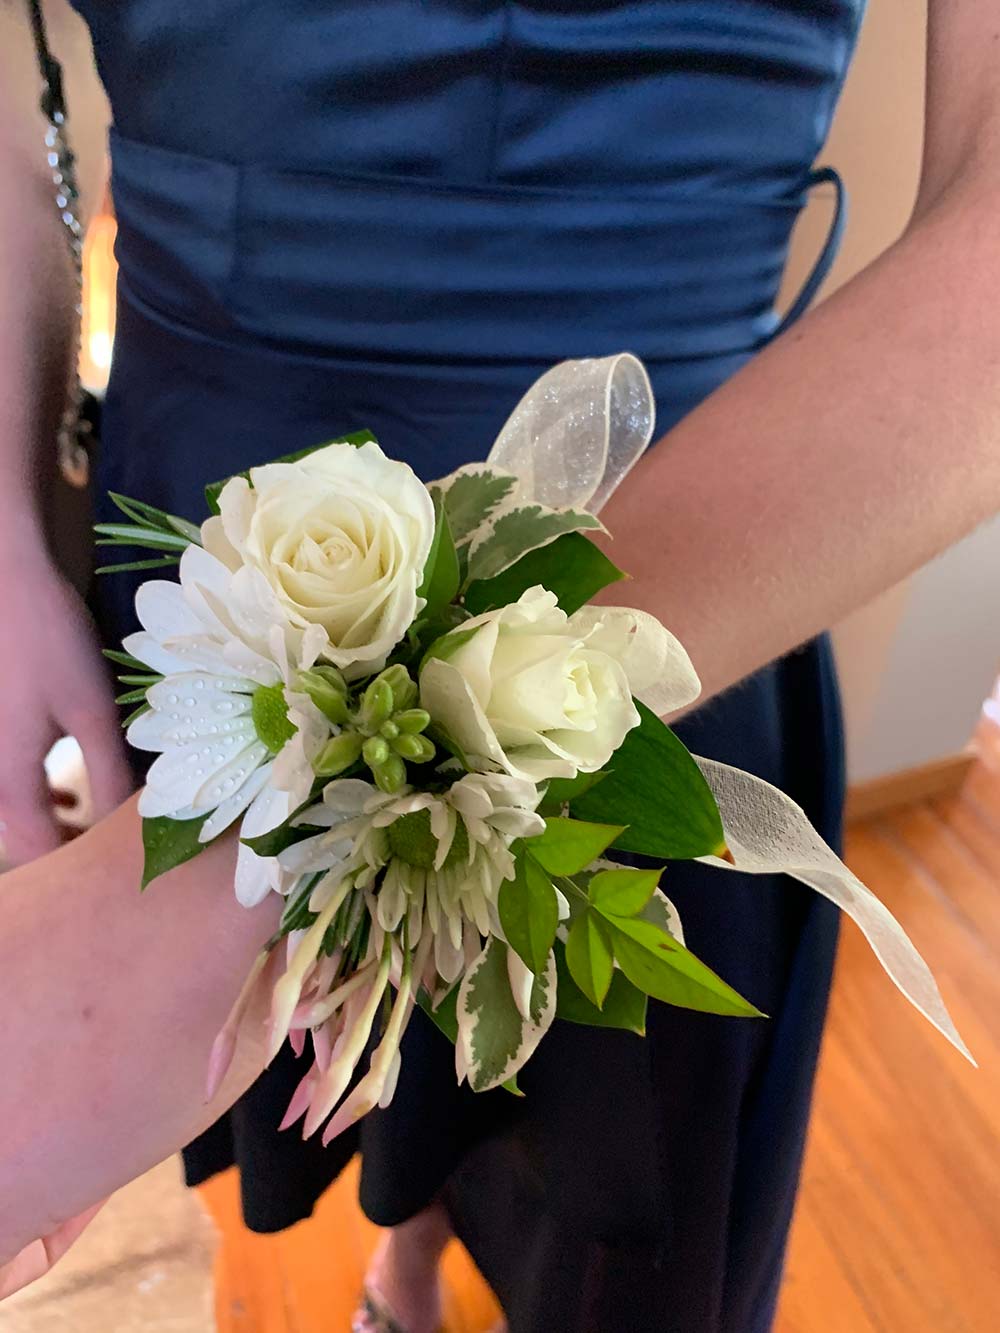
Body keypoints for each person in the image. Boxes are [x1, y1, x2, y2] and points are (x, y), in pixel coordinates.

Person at [2, 1, 999, 1330]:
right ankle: (406, 1247)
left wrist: (248, 866)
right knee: (324, 1082)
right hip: (216, 547)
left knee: (610, 1172)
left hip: (675, 591)